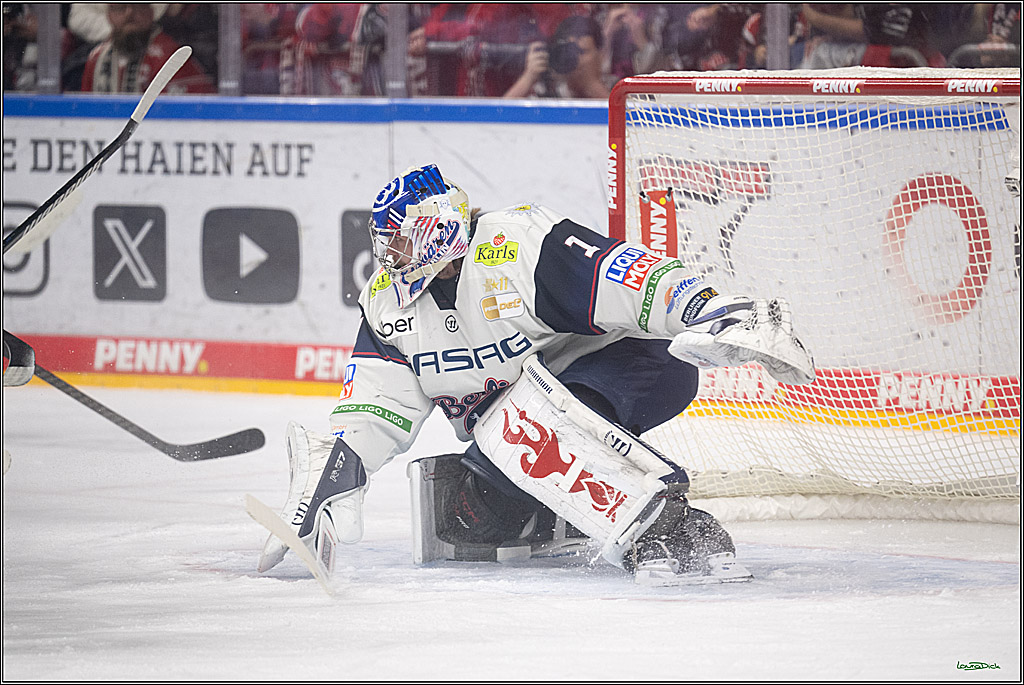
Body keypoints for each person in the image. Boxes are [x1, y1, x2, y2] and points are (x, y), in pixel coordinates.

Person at [257, 164, 815, 584]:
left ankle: (671, 526)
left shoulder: (516, 246)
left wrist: (705, 307)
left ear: (433, 230)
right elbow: (379, 403)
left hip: (634, 369)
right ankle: (568, 513)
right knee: (468, 518)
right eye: (384, 243)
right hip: (511, 434)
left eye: (400, 240)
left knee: (519, 429)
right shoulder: (387, 304)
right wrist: (336, 471)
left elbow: (623, 277)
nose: (389, 256)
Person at [80, 3, 213, 94]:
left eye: (138, 5)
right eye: (120, 7)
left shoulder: (172, 55)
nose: (129, 14)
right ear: (109, 14)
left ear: (151, 11)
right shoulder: (96, 57)